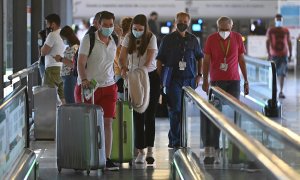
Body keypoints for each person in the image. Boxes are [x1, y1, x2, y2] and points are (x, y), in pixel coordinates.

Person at [74, 11, 119, 171]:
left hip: (108, 86)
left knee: (107, 122)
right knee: (87, 124)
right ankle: (84, 156)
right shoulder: (89, 39)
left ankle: (106, 158)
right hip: (89, 87)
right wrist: (84, 79)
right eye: (105, 25)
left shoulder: (114, 39)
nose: (108, 28)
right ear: (98, 24)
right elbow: (81, 61)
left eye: (110, 25)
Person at [201, 16, 249, 164]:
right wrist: (205, 80)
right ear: (217, 28)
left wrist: (246, 80)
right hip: (216, 82)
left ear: (231, 27)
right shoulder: (211, 39)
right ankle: (214, 149)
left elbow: (241, 60)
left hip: (234, 81)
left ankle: (233, 149)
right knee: (216, 116)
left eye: (226, 29)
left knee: (235, 116)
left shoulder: (237, 38)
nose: (224, 32)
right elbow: (206, 61)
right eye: (221, 29)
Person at [156, 12, 204, 148]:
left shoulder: (193, 39)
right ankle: (176, 140)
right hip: (173, 79)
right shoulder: (168, 39)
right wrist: (159, 79)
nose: (182, 23)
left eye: (185, 21)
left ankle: (178, 138)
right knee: (175, 109)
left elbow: (200, 56)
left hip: (189, 79)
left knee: (183, 110)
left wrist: (199, 75)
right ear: (175, 21)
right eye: (180, 21)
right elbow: (160, 59)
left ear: (188, 23)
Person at [119, 14, 160, 164]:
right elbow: (122, 57)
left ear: (145, 28)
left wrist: (138, 72)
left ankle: (150, 149)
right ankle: (140, 150)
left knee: (150, 115)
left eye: (140, 29)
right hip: (133, 78)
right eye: (135, 28)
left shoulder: (151, 38)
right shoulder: (128, 38)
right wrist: (123, 68)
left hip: (149, 76)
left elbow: (149, 60)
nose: (137, 31)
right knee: (137, 114)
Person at [41, 13, 66, 105]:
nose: (46, 26)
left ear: (53, 24)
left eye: (47, 23)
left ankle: (52, 118)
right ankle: (64, 117)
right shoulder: (62, 34)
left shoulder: (52, 35)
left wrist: (42, 46)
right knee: (61, 96)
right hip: (60, 68)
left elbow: (44, 52)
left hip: (51, 69)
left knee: (49, 96)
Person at [266, 14, 292, 99]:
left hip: (284, 54)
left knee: (282, 74)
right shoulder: (271, 30)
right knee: (274, 74)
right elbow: (268, 41)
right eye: (277, 20)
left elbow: (289, 42)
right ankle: (274, 90)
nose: (279, 21)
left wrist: (290, 53)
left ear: (282, 20)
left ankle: (281, 91)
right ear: (275, 20)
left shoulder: (285, 30)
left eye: (280, 20)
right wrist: (269, 54)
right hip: (274, 55)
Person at [53, 26, 79, 104]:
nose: (63, 40)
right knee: (68, 99)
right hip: (67, 76)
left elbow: (73, 65)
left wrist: (61, 59)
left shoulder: (75, 48)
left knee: (70, 100)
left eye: (63, 38)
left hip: (70, 77)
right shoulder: (71, 47)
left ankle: (71, 116)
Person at [114, 17, 133, 95]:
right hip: (125, 72)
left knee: (121, 101)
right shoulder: (127, 40)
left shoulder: (118, 39)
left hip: (118, 73)